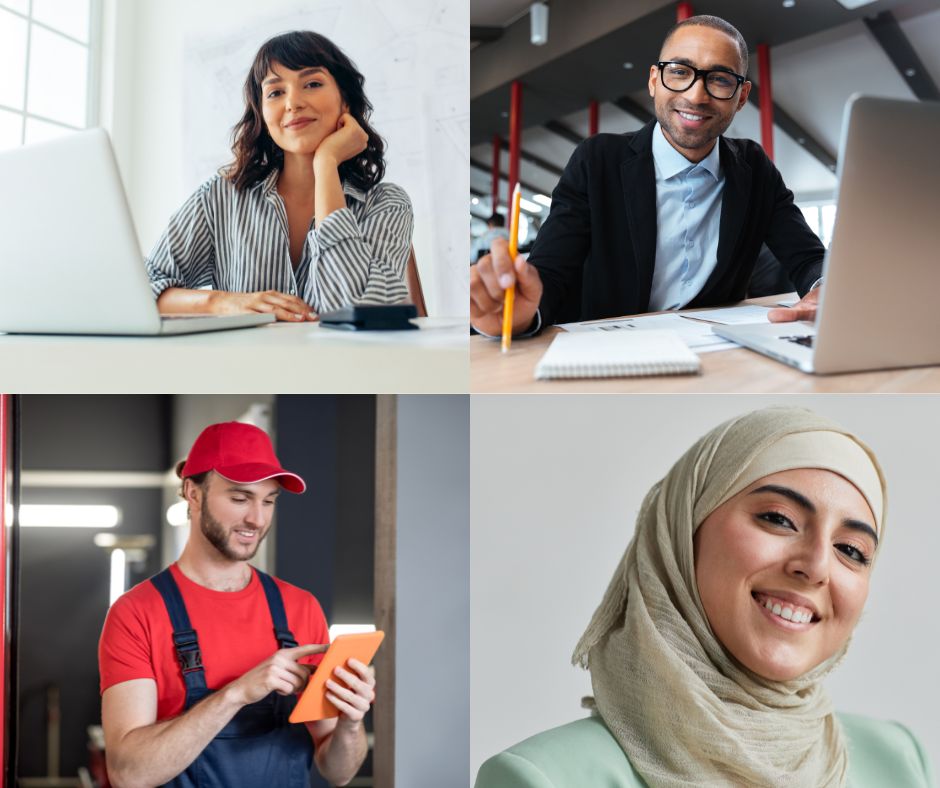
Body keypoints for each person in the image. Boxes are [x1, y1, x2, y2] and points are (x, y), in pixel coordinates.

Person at [475, 407, 934, 787]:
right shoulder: (543, 779)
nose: (815, 567)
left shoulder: (898, 761)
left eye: (851, 551)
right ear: (681, 532)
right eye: (778, 519)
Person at [470, 15, 824, 337]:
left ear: (742, 95)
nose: (696, 95)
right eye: (680, 72)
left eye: (719, 79)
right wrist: (518, 314)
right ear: (655, 80)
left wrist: (826, 288)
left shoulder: (754, 169)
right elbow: (551, 273)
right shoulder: (599, 160)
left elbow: (808, 259)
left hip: (715, 357)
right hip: (609, 353)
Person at [99, 421, 376, 787]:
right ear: (192, 493)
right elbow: (128, 774)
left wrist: (350, 724)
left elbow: (337, 772)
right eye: (240, 498)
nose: (256, 519)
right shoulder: (136, 613)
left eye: (269, 501)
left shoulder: (301, 608)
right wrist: (236, 694)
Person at [148, 31, 413, 323]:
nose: (293, 103)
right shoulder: (220, 196)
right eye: (275, 92)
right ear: (262, 113)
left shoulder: (387, 203)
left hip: (345, 368)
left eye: (312, 84)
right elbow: (144, 289)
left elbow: (357, 311)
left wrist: (326, 163)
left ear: (346, 101)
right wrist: (219, 302)